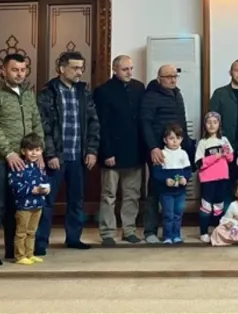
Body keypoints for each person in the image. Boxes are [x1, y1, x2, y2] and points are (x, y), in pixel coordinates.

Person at [0, 53, 44, 266]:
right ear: (4, 71)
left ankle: (14, 251)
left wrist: (39, 151)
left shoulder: (28, 93)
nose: (20, 74)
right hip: (0, 159)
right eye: (15, 70)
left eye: (23, 70)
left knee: (17, 207)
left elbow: (36, 122)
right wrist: (9, 152)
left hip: (26, 161)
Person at [36, 51, 100, 253]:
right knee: (47, 201)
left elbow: (93, 122)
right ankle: (40, 243)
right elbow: (43, 126)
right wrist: (50, 154)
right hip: (56, 157)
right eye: (75, 68)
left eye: (81, 68)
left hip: (78, 157)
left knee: (76, 201)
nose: (79, 72)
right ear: (62, 69)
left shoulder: (84, 92)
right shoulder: (48, 92)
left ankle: (73, 238)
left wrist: (91, 150)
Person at [94, 55, 145, 246]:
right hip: (112, 152)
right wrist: (106, 152)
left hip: (134, 151)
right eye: (125, 69)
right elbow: (102, 125)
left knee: (132, 194)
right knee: (109, 195)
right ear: (115, 69)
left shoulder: (139, 88)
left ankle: (129, 230)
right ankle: (107, 233)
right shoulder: (104, 91)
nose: (130, 72)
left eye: (131, 68)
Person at [140, 64, 192, 243]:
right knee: (155, 191)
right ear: (159, 78)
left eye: (175, 76)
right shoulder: (151, 96)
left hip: (177, 151)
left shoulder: (177, 94)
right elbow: (145, 123)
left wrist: (186, 146)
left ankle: (172, 232)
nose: (172, 79)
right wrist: (153, 147)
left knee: (176, 192)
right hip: (158, 152)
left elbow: (182, 123)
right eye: (168, 76)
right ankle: (150, 231)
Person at [8, 134, 49, 265]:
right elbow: (14, 185)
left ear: (41, 151)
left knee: (32, 232)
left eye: (37, 150)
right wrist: (32, 189)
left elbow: (45, 181)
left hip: (38, 205)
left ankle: (29, 253)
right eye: (31, 150)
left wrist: (47, 189)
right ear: (23, 151)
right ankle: (20, 256)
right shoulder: (19, 166)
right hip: (24, 206)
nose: (34, 153)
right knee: (21, 232)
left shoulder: (40, 167)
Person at [194, 112, 234, 243]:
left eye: (215, 122)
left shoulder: (224, 140)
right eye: (209, 122)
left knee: (219, 206)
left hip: (222, 178)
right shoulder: (203, 142)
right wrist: (214, 157)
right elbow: (199, 163)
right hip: (207, 179)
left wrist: (226, 151)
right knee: (206, 206)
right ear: (205, 125)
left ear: (219, 124)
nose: (212, 125)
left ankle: (218, 232)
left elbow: (230, 158)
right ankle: (204, 232)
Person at [153, 124, 192, 244]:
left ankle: (176, 235)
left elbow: (188, 170)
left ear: (181, 140)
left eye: (178, 138)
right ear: (165, 140)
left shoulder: (183, 154)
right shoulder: (162, 153)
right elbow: (156, 172)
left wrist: (185, 178)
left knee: (178, 214)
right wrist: (165, 180)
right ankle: (168, 236)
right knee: (168, 214)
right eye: (171, 138)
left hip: (180, 192)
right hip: (166, 192)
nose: (175, 141)